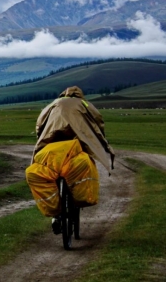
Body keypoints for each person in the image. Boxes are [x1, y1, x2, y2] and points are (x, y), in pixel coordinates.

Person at [32, 86, 115, 234]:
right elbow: (98, 120)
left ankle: (56, 214)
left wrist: (41, 138)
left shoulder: (54, 103)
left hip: (53, 140)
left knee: (52, 167)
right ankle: (75, 198)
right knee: (82, 162)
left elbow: (40, 123)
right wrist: (100, 139)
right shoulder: (84, 104)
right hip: (77, 139)